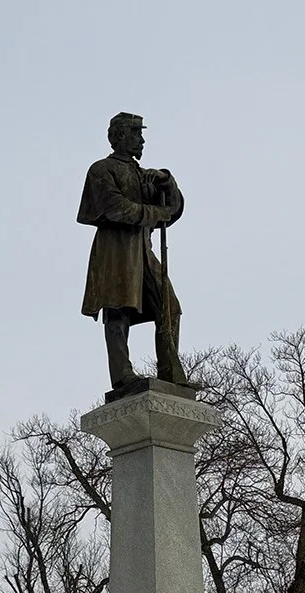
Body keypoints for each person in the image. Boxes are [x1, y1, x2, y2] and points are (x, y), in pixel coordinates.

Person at [77, 112, 188, 389]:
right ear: (119, 137)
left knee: (169, 306)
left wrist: (167, 181)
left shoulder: (144, 175)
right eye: (136, 134)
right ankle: (122, 374)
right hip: (116, 251)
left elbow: (172, 211)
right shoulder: (102, 170)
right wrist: (155, 212)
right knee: (118, 310)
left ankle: (170, 373)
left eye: (141, 134)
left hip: (143, 250)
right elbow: (116, 208)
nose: (141, 140)